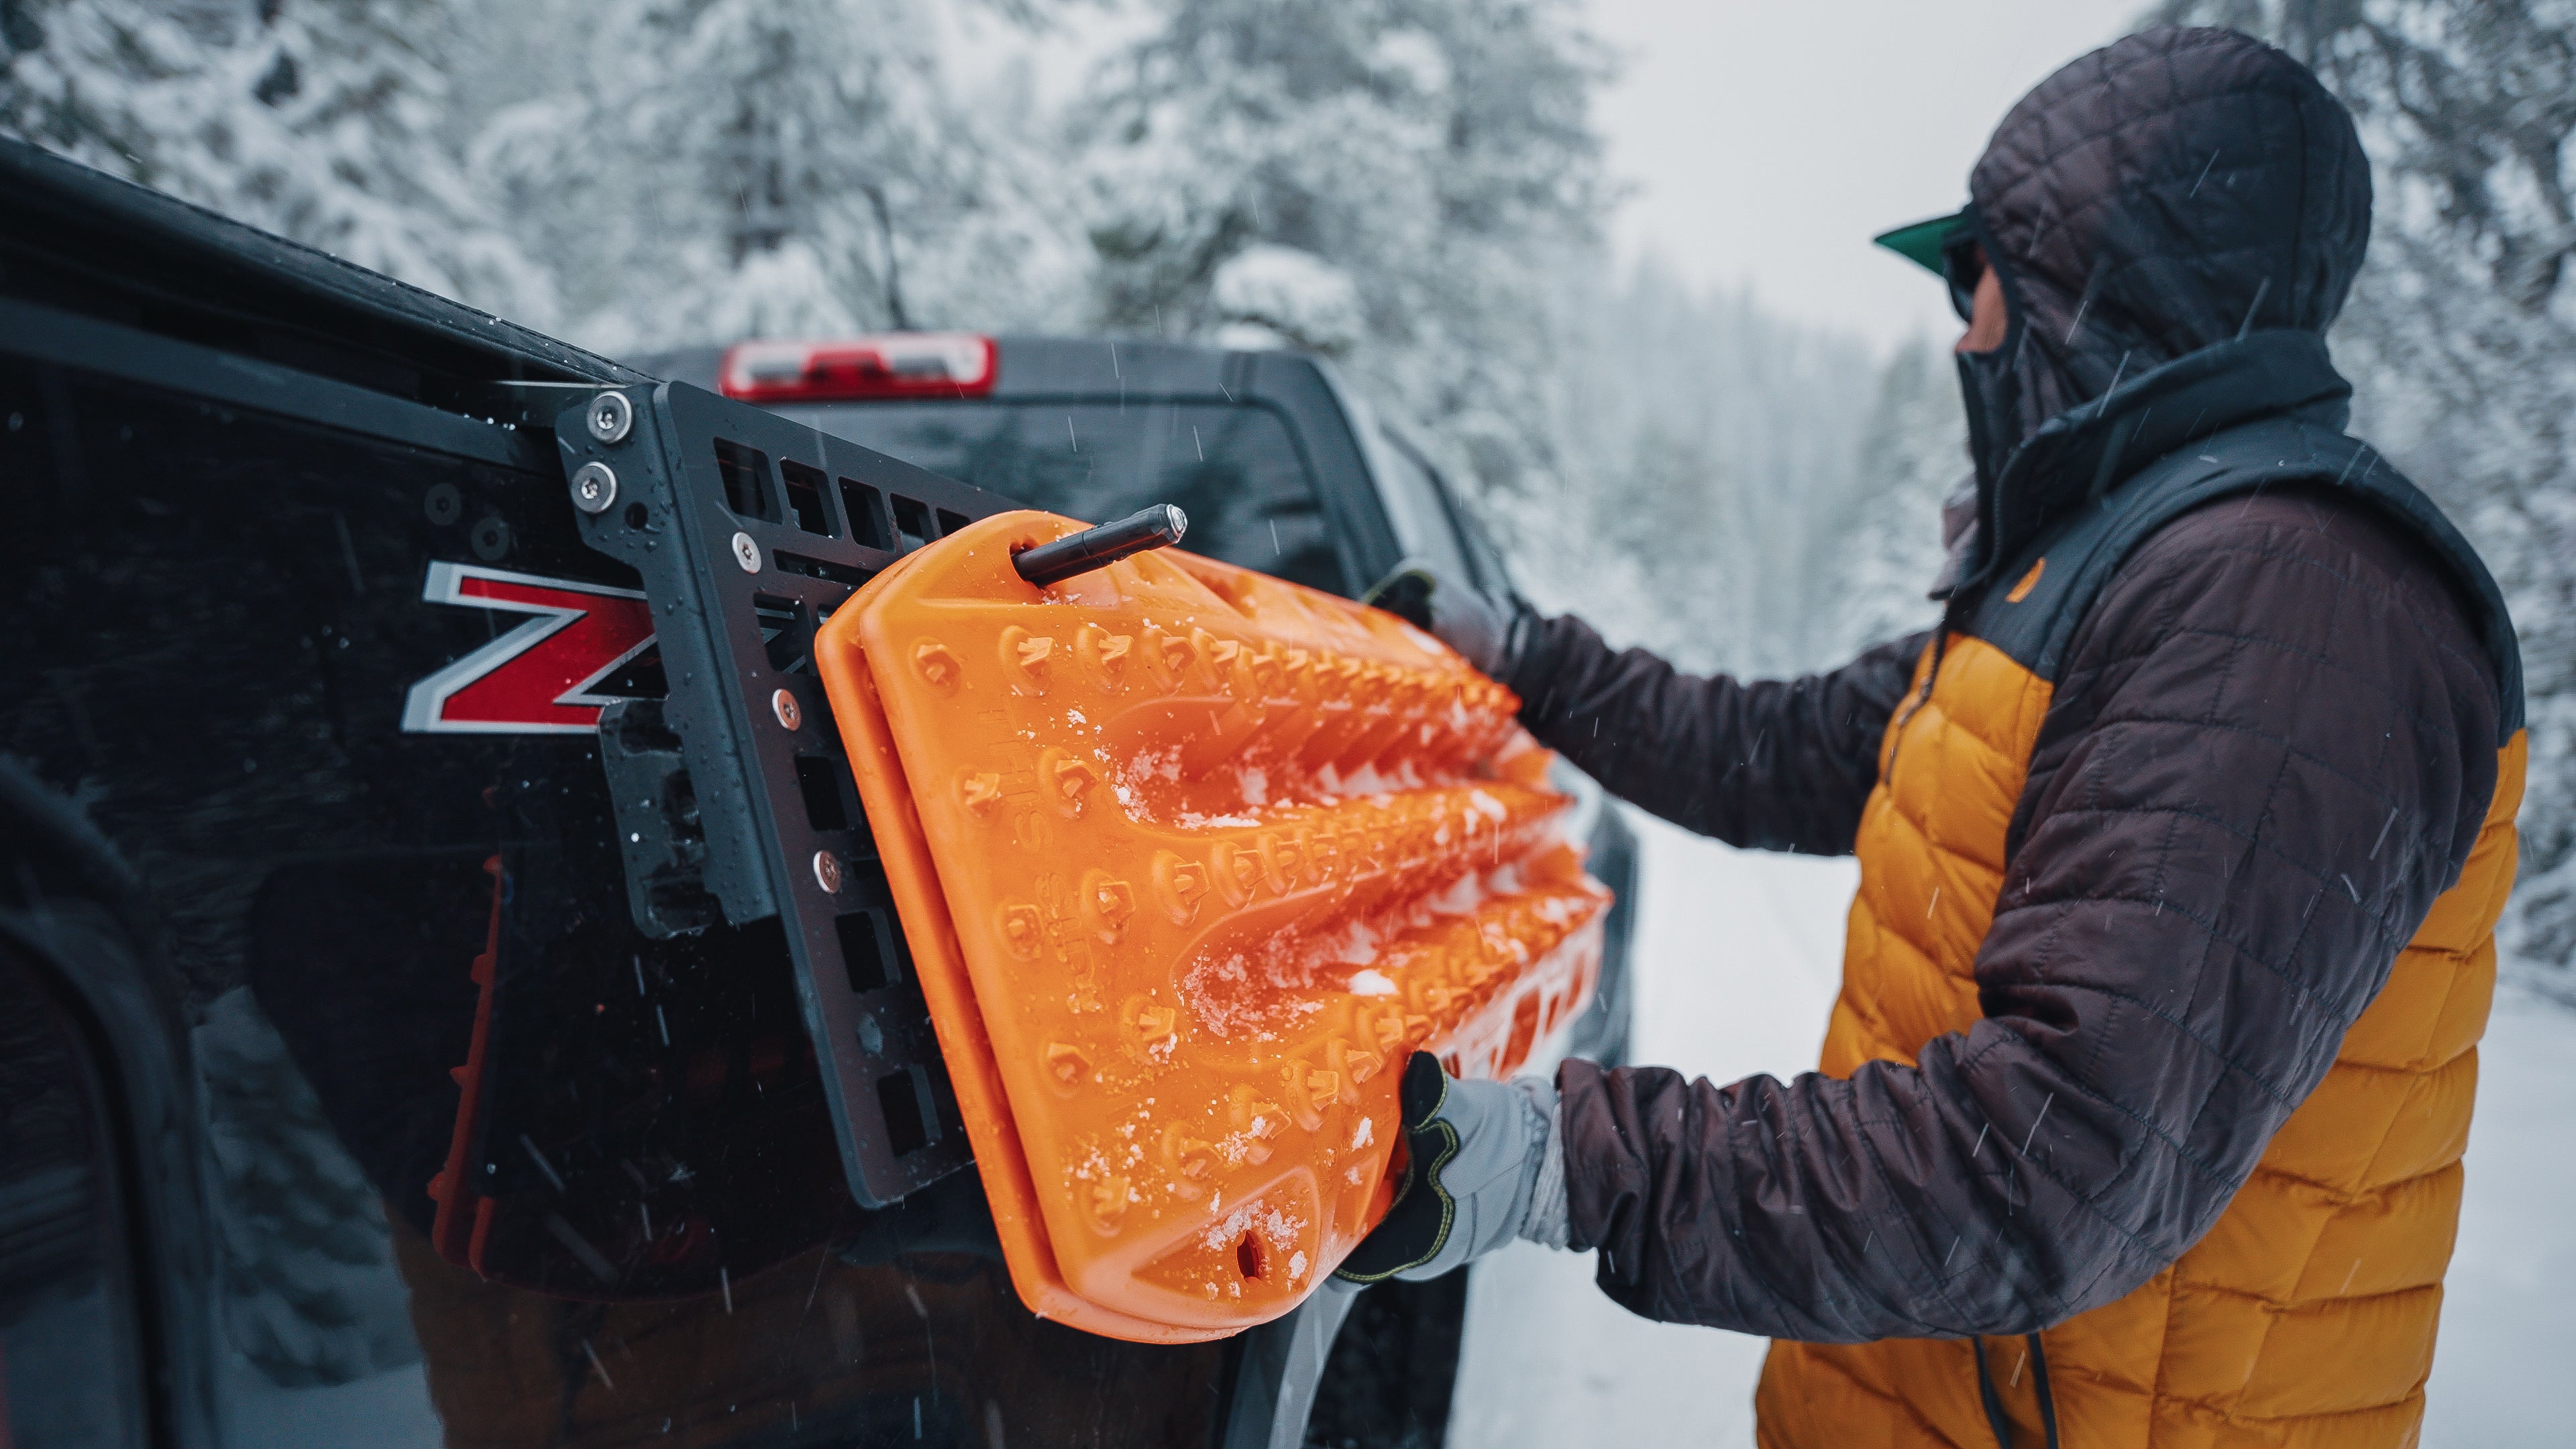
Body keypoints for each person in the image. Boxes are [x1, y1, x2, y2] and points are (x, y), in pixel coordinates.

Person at [1340, 25, 2526, 1448]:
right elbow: (1784, 750)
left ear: (2086, 290)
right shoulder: (2105, 572)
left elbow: (2051, 1165)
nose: (1961, 333)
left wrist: (1575, 1162)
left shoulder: (2290, 607)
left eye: (1976, 283)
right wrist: (1529, 659)